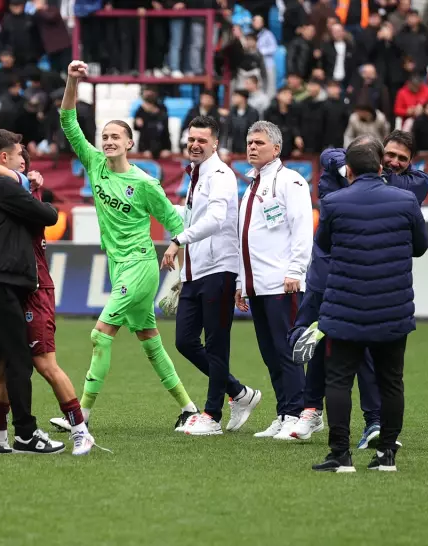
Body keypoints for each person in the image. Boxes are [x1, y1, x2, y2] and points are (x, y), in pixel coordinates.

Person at [60, 61, 199, 430]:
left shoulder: (145, 184)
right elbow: (68, 123)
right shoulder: (94, 164)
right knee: (150, 341)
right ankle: (188, 408)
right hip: (118, 264)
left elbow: (177, 224)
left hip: (140, 264)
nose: (107, 142)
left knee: (100, 334)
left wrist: (177, 257)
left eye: (114, 138)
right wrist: (72, 81)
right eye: (104, 137)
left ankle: (81, 416)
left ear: (129, 143)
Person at [288, 130, 428, 449]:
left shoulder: (412, 185)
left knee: (350, 360)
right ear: (379, 159)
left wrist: (353, 169)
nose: (394, 162)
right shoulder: (395, 192)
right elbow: (328, 156)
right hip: (333, 279)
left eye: (401, 159)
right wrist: (349, 164)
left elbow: (328, 222)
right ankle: (311, 410)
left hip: (359, 289)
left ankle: (362, 430)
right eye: (388, 156)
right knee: (313, 342)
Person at [0, 148, 96, 456]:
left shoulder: (15, 193)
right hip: (8, 285)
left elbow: (48, 214)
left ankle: (80, 430)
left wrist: (21, 180)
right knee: (6, 364)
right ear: (3, 158)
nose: (24, 162)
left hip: (35, 288)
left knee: (41, 363)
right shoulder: (3, 191)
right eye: (19, 156)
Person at [161, 116, 261, 436]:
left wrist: (178, 241)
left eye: (202, 140)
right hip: (196, 271)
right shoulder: (196, 174)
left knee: (217, 345)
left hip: (220, 269)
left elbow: (217, 219)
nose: (194, 144)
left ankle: (212, 416)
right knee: (185, 341)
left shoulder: (220, 175)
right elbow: (197, 219)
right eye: (191, 139)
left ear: (215, 143)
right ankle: (240, 393)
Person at [234, 121, 313, 440]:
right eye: (249, 142)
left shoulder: (289, 180)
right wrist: (242, 282)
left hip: (282, 284)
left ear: (276, 148)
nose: (252, 147)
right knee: (270, 352)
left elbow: (302, 227)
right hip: (257, 285)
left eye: (259, 143)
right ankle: (284, 412)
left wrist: (296, 270)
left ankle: (299, 413)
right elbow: (245, 239)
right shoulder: (253, 183)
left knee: (287, 350)